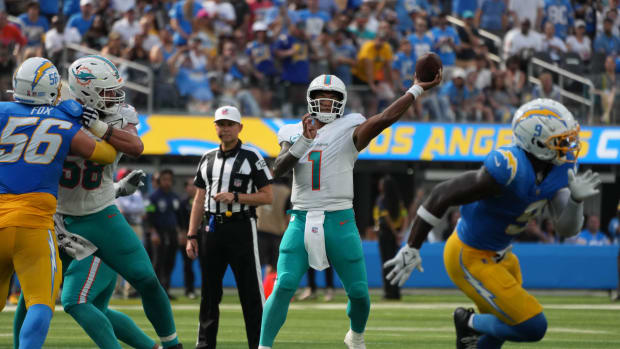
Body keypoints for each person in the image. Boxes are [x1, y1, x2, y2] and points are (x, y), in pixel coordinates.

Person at [385, 98, 601, 348]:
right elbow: (442, 194)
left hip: (502, 259)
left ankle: (472, 337)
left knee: (500, 334)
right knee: (532, 325)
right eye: (561, 140)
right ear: (536, 141)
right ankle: (468, 322)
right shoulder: (509, 167)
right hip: (469, 255)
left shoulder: (559, 168)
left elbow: (566, 228)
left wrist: (575, 201)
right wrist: (413, 245)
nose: (569, 145)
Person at [259, 72, 441, 349]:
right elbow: (278, 168)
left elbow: (384, 119)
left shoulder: (350, 127)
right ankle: (263, 346)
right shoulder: (292, 131)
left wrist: (415, 89)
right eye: (322, 98)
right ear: (310, 100)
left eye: (334, 99)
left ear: (342, 103)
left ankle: (355, 337)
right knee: (284, 285)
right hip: (300, 218)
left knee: (358, 293)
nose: (328, 103)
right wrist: (303, 142)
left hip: (339, 219)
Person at [14, 55, 182, 349]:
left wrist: (99, 127)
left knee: (146, 278)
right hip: (57, 219)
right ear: (84, 91)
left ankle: (172, 344)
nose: (114, 97)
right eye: (106, 91)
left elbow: (136, 146)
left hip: (100, 212)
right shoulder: (55, 111)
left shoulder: (119, 115)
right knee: (35, 295)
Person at [0, 56, 118, 349]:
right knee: (41, 303)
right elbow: (104, 154)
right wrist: (77, 119)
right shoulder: (62, 120)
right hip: (34, 225)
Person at [185, 105, 273, 349]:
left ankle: (259, 346)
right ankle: (204, 345)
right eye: (220, 124)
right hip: (211, 230)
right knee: (209, 294)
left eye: (229, 124)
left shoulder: (252, 156)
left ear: (239, 127)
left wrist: (236, 197)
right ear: (215, 127)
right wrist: (191, 234)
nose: (224, 129)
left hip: (242, 227)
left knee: (251, 294)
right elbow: (199, 199)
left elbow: (267, 196)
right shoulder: (207, 158)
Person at [146, 169, 181, 299]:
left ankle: (166, 290)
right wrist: (153, 233)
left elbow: (179, 217)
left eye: (169, 180)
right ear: (159, 181)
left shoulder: (174, 197)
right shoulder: (153, 197)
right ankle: (155, 291)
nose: (167, 182)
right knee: (158, 262)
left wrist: (181, 233)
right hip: (158, 233)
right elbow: (148, 217)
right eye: (165, 179)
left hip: (172, 232)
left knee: (170, 262)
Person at [373, 175, 407, 300]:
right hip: (395, 235)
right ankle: (396, 292)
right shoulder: (398, 201)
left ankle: (388, 292)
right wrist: (400, 232)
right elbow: (405, 216)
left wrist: (394, 232)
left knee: (386, 264)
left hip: (386, 234)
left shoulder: (382, 200)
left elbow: (386, 218)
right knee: (396, 263)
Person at [177, 178, 198, 299]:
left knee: (206, 265)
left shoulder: (203, 201)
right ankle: (189, 290)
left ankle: (207, 290)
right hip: (187, 238)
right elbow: (179, 221)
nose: (192, 188)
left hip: (201, 236)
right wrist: (182, 234)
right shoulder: (182, 202)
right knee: (188, 265)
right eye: (190, 185)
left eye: (194, 185)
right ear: (186, 188)